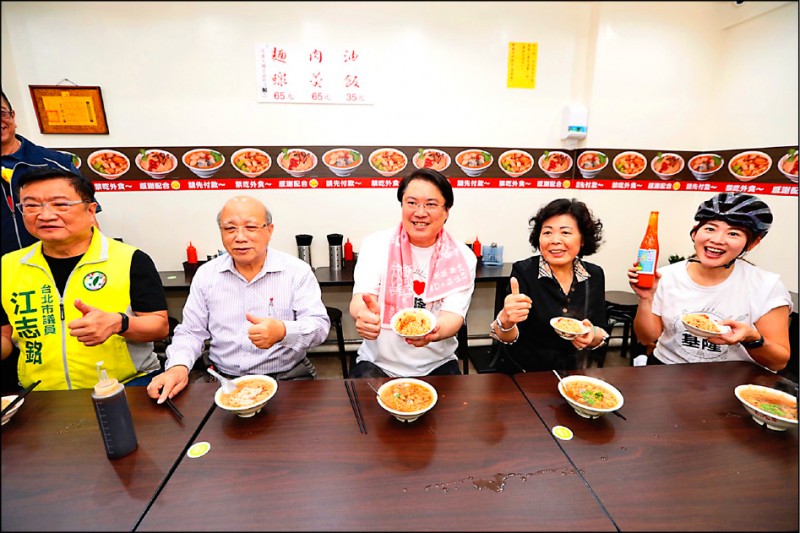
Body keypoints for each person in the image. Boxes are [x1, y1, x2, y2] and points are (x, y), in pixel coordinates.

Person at [148, 195, 330, 404]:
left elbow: (319, 327)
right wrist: (177, 367)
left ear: (269, 231)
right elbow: (191, 331)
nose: (240, 237)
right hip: (223, 380)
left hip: (288, 376)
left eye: (251, 227)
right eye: (230, 229)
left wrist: (283, 331)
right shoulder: (207, 274)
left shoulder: (296, 271)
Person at [0, 166, 168, 390]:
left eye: (60, 204)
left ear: (91, 210)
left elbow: (159, 326)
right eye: (31, 205)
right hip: (40, 395)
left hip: (126, 386)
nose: (45, 215)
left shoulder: (129, 259)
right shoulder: (8, 266)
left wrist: (120, 323)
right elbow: (5, 337)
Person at [627, 192, 791, 371]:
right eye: (710, 229)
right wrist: (646, 299)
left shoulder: (766, 286)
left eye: (733, 233)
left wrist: (751, 339)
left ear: (752, 244)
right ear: (695, 232)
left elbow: (778, 362)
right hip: (668, 372)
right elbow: (647, 338)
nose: (717, 240)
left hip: (733, 381)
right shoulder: (666, 276)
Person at [349, 168, 477, 379]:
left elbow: (453, 316)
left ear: (447, 211)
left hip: (437, 363)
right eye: (411, 202)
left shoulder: (462, 257)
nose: (420, 212)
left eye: (431, 204)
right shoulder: (375, 244)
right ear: (402, 205)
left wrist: (432, 333)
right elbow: (361, 298)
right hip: (377, 363)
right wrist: (364, 314)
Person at [490, 198, 610, 372]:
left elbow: (601, 331)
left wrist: (591, 335)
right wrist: (506, 321)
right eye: (547, 233)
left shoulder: (594, 275)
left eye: (565, 233)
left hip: (572, 372)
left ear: (582, 239)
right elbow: (508, 337)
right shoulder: (524, 272)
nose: (555, 240)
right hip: (525, 373)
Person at [1, 90, 102, 256]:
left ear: (12, 116)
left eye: (2, 113)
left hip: (59, 265)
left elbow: (89, 219)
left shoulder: (56, 162)